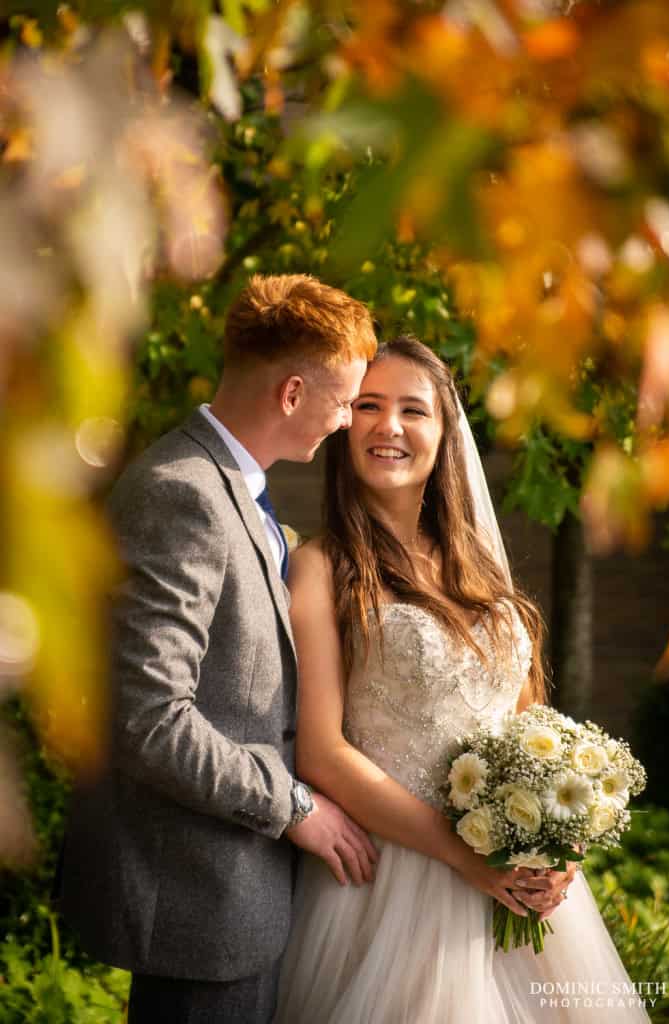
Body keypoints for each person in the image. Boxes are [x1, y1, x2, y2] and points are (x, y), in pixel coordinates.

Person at [275, 336, 650, 1023]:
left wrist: (554, 845)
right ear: (345, 424)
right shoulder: (319, 567)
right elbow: (320, 751)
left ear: (445, 434)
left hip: (511, 871)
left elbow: (529, 724)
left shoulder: (476, 566)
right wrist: (466, 859)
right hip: (394, 881)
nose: (388, 426)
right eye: (368, 406)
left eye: (412, 410)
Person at [56, 274, 379, 1024]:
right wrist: (295, 806)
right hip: (201, 901)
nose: (345, 423)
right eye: (343, 402)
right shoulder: (184, 494)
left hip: (235, 894)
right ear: (293, 395)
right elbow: (149, 721)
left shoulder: (234, 485)